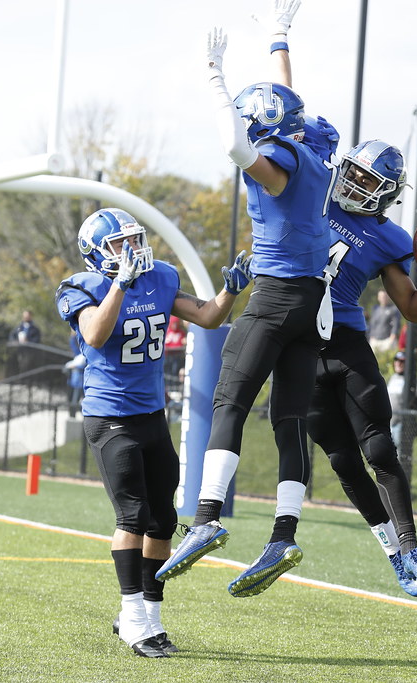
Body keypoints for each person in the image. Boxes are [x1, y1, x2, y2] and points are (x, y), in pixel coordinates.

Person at [263, 0, 417, 595]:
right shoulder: (313, 186)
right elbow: (281, 112)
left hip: (343, 339)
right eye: (355, 174)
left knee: (377, 446)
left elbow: (413, 309)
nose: (354, 185)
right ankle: (391, 553)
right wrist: (279, 39)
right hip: (297, 340)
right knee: (342, 459)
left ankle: (413, 550)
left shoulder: (390, 236)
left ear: (386, 196)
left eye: (370, 185)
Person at [155, 26, 336, 599]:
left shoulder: (277, 162)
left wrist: (213, 73)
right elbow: (286, 98)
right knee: (289, 419)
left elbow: (238, 145)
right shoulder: (310, 150)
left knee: (228, 402)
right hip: (314, 302)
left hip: (278, 298)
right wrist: (279, 41)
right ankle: (284, 535)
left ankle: (205, 518)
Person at [55, 207, 252, 657]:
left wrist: (230, 292)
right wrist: (120, 285)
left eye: (135, 240)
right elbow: (96, 335)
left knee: (163, 520)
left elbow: (206, 317)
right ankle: (132, 618)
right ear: (96, 253)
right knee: (133, 516)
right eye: (120, 244)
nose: (133, 250)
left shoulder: (160, 277)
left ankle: (149, 617)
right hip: (109, 417)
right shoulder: (79, 287)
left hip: (152, 416)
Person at [63, 331, 85, 418]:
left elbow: (82, 365)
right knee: (73, 400)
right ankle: (72, 416)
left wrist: (73, 366)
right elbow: (73, 346)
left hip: (81, 383)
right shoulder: (78, 355)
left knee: (79, 401)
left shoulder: (84, 356)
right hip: (74, 382)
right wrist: (72, 336)